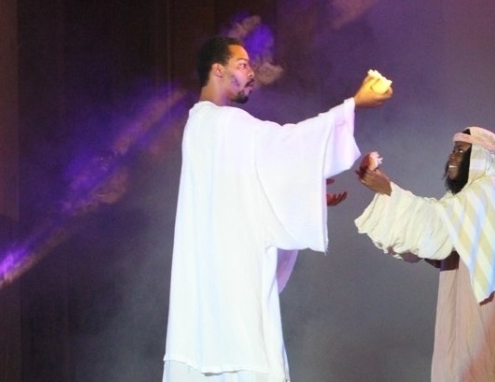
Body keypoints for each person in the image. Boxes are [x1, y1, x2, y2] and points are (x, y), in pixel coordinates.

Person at [162, 35, 391, 381]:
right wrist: (354, 104)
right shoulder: (223, 124)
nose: (251, 73)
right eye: (242, 65)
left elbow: (249, 188)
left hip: (209, 307)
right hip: (233, 304)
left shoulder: (201, 127)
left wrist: (306, 188)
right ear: (217, 70)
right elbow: (285, 145)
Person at [355, 126, 495, 381]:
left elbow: (436, 225)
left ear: (480, 158)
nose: (452, 157)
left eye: (461, 150)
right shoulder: (478, 195)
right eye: (453, 150)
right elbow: (443, 239)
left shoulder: (494, 190)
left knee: (493, 359)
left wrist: (388, 189)